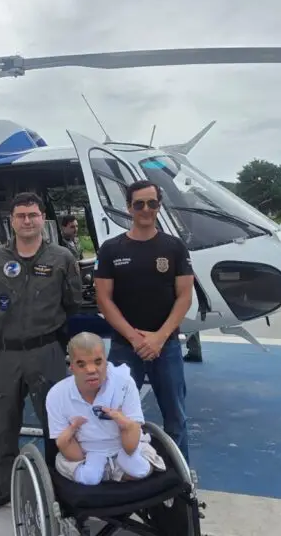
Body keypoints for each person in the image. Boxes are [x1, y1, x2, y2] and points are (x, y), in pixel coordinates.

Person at [0, 192, 84, 520]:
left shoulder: (62, 257)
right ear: (12, 220)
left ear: (42, 217)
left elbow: (72, 302)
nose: (27, 221)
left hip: (47, 351)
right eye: (20, 215)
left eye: (33, 215)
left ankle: (61, 489)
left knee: (57, 425)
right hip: (7, 353)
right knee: (4, 425)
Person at [94, 180, 194, 462]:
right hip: (126, 348)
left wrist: (159, 337)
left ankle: (180, 482)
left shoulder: (174, 248)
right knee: (117, 416)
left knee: (176, 417)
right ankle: (121, 474)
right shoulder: (111, 249)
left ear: (159, 206)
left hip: (167, 346)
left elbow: (185, 297)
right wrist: (137, 339)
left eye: (152, 203)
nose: (146, 209)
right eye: (139, 204)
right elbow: (104, 300)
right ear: (129, 208)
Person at [46, 332, 166, 485]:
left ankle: (110, 471)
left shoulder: (124, 383)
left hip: (123, 448)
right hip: (84, 454)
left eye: (97, 362)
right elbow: (65, 445)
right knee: (85, 475)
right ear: (72, 367)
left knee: (142, 469)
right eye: (82, 364)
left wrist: (124, 424)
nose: (91, 370)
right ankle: (106, 471)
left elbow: (131, 440)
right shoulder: (57, 394)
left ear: (106, 362)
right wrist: (86, 458)